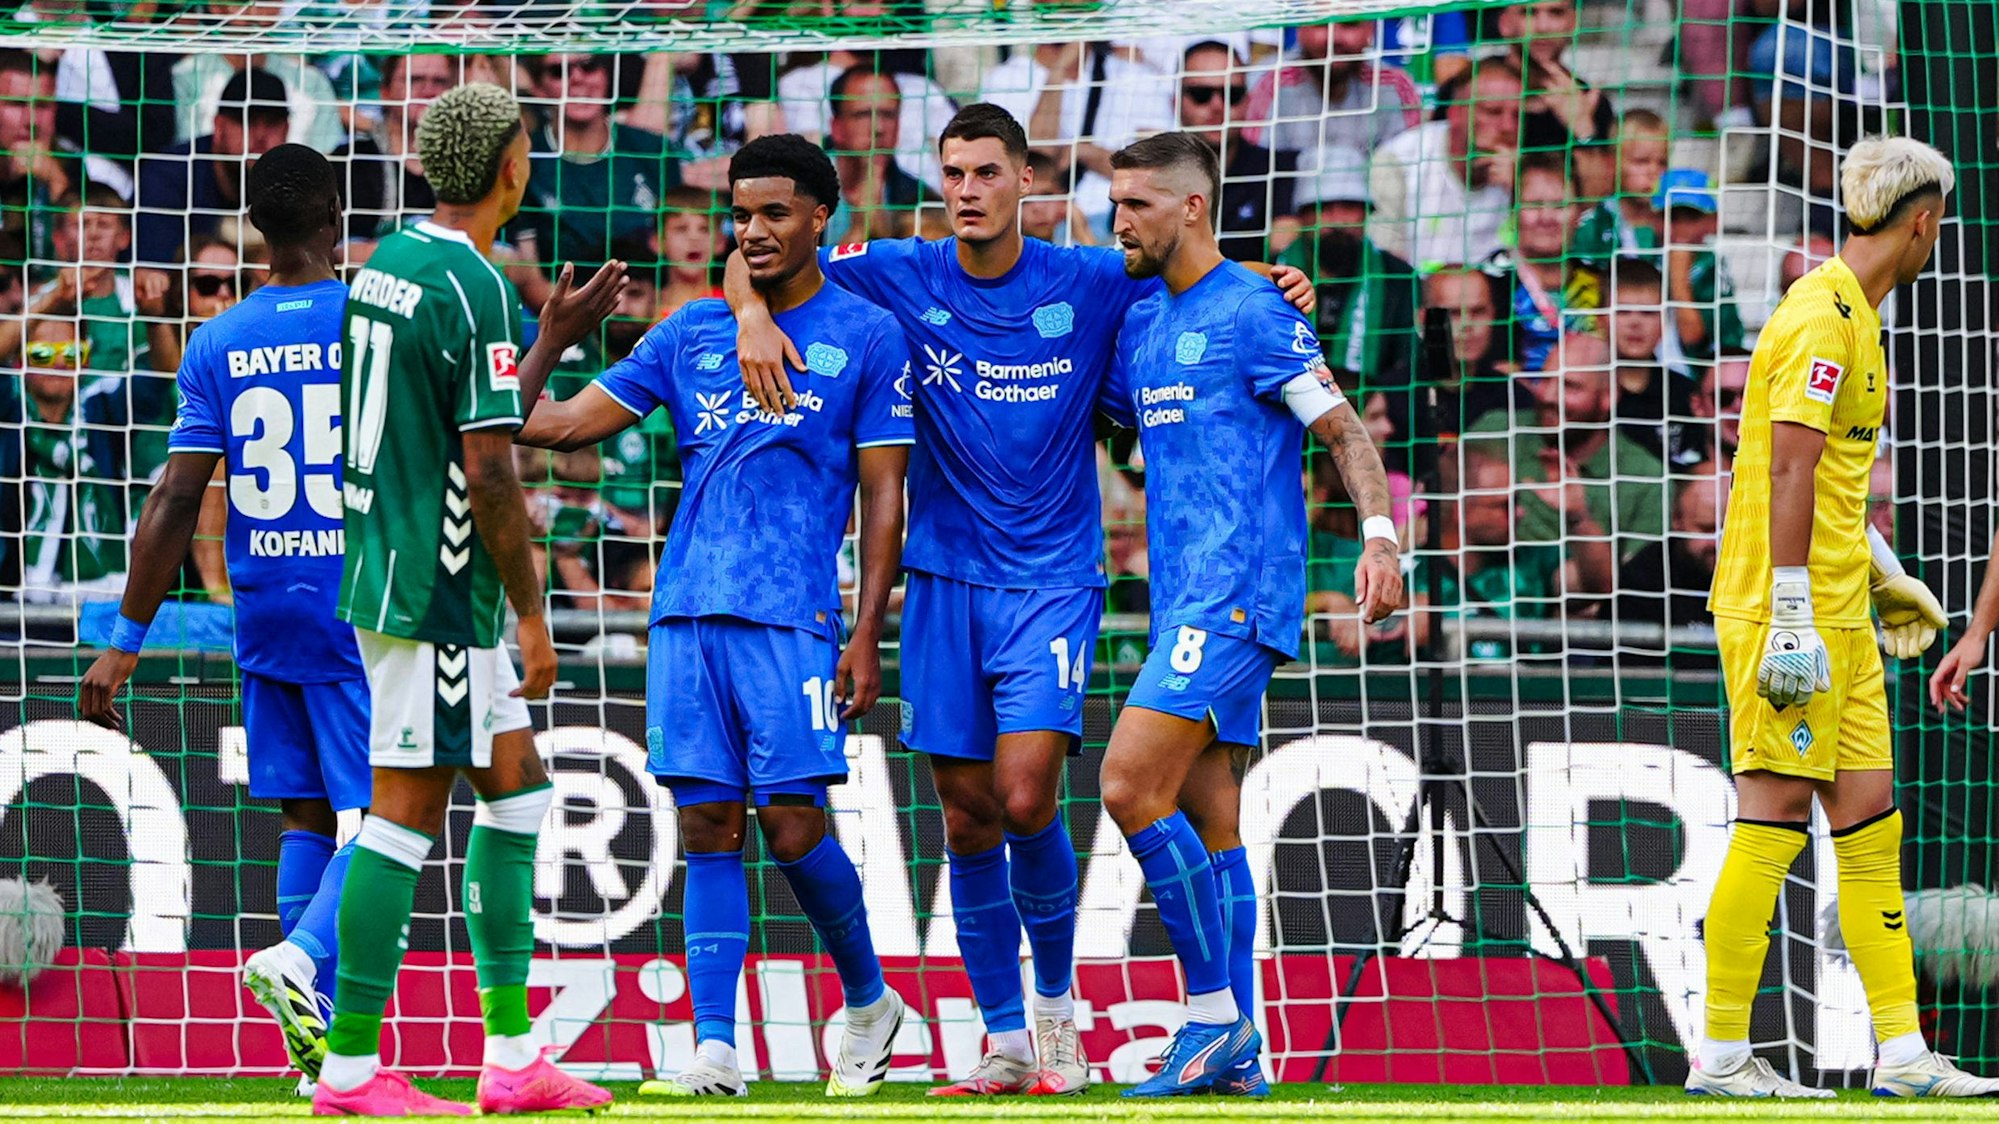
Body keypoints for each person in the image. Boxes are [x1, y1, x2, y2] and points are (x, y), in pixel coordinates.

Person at [727, 103, 1315, 1098]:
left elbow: (1192, 273)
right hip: (944, 576)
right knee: (962, 817)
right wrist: (748, 310)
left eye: (986, 172)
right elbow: (770, 246)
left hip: (1052, 580)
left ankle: (1057, 1010)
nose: (966, 190)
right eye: (952, 172)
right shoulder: (898, 267)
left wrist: (1270, 279)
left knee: (1028, 794)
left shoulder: (1089, 277)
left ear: (1025, 179)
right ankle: (1004, 1036)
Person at [513, 133, 912, 1100]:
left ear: (823, 217)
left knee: (788, 822)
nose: (753, 231)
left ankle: (869, 1001)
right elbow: (542, 423)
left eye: (775, 213)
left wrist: (865, 631)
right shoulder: (688, 334)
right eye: (742, 215)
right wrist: (554, 338)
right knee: (705, 825)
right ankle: (715, 1049)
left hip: (794, 619)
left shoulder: (866, 336)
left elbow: (884, 498)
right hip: (685, 613)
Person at [311, 81, 620, 1117]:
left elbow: (463, 410)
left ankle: (513, 1054)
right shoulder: (476, 283)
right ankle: (350, 1067)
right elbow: (489, 467)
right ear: (512, 169)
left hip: (392, 565)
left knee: (520, 793)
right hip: (438, 587)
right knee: (401, 817)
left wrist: (549, 340)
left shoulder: (388, 264)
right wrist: (534, 616)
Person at [1097, 130, 1402, 1097]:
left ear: (1191, 207)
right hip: (1180, 597)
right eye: (1115, 204)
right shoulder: (1145, 317)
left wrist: (1381, 534)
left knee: (1124, 785)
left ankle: (1210, 1020)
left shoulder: (1258, 310)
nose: (1119, 222)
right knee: (1212, 825)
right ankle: (1245, 1047)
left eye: (1137, 204)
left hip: (1237, 595)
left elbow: (1341, 426)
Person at [1696, 136, 1989, 1099]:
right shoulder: (1821, 318)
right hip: (1789, 614)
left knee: (1870, 825)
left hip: (1839, 611)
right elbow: (1784, 468)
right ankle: (1723, 1055)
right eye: (1938, 222)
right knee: (1773, 812)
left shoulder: (1857, 314)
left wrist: (1884, 571)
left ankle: (1901, 1054)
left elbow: (1827, 485)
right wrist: (1789, 610)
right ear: (1922, 221)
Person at [74, 145, 365, 1087]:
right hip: (365, 607)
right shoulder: (373, 325)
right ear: (335, 215)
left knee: (304, 816)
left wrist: (124, 642)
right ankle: (304, 964)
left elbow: (171, 499)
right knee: (394, 819)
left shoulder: (219, 338)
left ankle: (309, 1039)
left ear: (256, 227)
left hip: (265, 603)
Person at [1280, 148, 1419, 390]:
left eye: (1349, 207)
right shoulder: (1269, 274)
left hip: (1373, 416)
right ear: (1303, 216)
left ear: (1366, 213)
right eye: (1325, 207)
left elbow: (1407, 365)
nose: (1338, 220)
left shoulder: (1398, 279)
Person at [1368, 60, 1522, 271]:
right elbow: (1383, 260)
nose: (1509, 127)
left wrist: (1520, 192)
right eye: (1493, 111)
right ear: (1454, 112)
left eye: (1518, 115)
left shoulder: (1528, 171)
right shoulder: (1398, 161)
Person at [135, 67, 291, 268]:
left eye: (271, 123)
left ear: (286, 129)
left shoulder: (295, 180)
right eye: (247, 121)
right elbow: (155, 276)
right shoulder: (168, 175)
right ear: (219, 126)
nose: (260, 135)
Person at [1177, 42, 1297, 263]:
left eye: (1232, 94)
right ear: (1175, 102)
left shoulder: (1278, 169)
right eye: (1201, 94)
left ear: (1247, 102)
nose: (1217, 105)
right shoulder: (1152, 174)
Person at [1241, 18, 1420, 157]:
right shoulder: (1269, 83)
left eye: (1349, 24)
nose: (1335, 38)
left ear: (1369, 30)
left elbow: (1407, 174)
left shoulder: (1394, 86)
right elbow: (1255, 178)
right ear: (1300, 29)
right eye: (1322, 24)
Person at [331, 52, 456, 246]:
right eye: (414, 80)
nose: (428, 90)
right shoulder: (351, 161)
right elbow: (340, 251)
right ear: (385, 92)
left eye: (439, 82)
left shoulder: (467, 163)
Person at [824, 66, 939, 243]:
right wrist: (860, 228)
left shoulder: (918, 197)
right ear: (836, 128)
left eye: (888, 115)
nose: (878, 128)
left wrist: (879, 228)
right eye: (863, 115)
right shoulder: (803, 187)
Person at [1657, 168, 1744, 363]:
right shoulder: (1644, 252)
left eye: (1691, 218)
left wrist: (1679, 277)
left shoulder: (1711, 266)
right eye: (1671, 217)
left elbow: (1695, 339)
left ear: (1713, 221)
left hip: (1703, 367)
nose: (1679, 228)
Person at [1574, 109, 1669, 267]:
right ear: (1613, 163)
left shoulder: (1674, 222)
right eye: (1642, 161)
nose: (1654, 172)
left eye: (1662, 162)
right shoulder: (1593, 225)